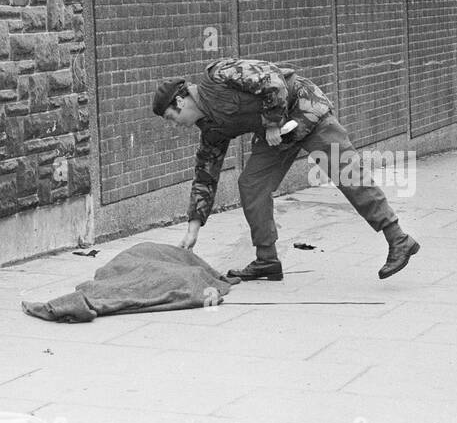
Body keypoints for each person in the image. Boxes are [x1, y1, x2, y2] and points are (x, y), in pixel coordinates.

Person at [153, 57, 419, 281]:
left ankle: (398, 239)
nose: (175, 124)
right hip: (277, 134)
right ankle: (266, 259)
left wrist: (270, 123)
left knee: (346, 171)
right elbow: (205, 175)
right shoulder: (211, 129)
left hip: (304, 109)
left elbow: (273, 80)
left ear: (180, 101)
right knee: (251, 184)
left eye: (171, 118)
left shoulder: (218, 75)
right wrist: (193, 228)